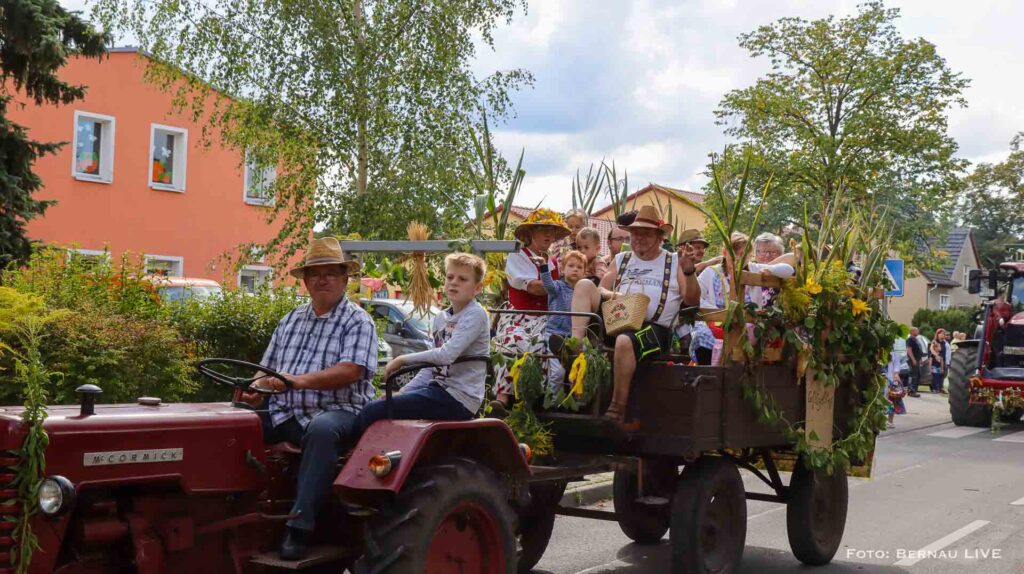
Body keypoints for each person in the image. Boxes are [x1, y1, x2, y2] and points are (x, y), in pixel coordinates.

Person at [245, 236, 377, 560]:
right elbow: (265, 369)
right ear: (305, 281)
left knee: (321, 430)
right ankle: (240, 515)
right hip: (285, 411)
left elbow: (350, 371)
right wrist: (253, 389)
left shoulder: (357, 320)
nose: (322, 279)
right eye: (315, 273)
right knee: (233, 423)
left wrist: (297, 382)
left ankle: (300, 528)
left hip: (340, 409)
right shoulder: (289, 321)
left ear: (345, 278)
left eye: (331, 272)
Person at [566, 204, 701, 424]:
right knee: (583, 285)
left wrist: (689, 271)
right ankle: (576, 346)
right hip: (618, 319)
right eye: (636, 233)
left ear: (659, 236)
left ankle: (618, 407)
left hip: (656, 331)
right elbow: (600, 289)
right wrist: (615, 295)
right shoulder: (622, 259)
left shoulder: (674, 260)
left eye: (646, 233)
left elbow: (692, 300)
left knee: (624, 342)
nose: (639, 238)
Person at [355, 253, 490, 434]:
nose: (454, 282)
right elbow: (430, 368)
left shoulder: (475, 314)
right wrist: (403, 392)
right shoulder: (441, 318)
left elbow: (446, 355)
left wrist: (401, 359)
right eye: (450, 277)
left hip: (459, 398)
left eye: (463, 279)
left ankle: (351, 454)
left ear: (478, 287)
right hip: (438, 392)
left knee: (372, 412)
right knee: (377, 406)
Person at [491, 209, 572, 413]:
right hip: (518, 316)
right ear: (531, 232)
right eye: (544, 229)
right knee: (513, 340)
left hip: (545, 318)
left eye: (552, 231)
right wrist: (564, 287)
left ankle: (534, 401)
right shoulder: (518, 256)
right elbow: (535, 288)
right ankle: (503, 398)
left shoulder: (552, 261)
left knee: (544, 346)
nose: (549, 235)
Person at [689, 232, 795, 365]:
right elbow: (695, 295)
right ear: (725, 252)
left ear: (750, 255)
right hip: (714, 323)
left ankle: (731, 368)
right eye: (735, 253)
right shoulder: (711, 272)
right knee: (701, 334)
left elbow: (788, 270)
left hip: (745, 325)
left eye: (744, 254)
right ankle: (708, 370)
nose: (739, 258)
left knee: (745, 334)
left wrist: (771, 271)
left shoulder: (754, 269)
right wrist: (716, 313)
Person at [539, 250, 586, 355]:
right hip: (554, 333)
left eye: (579, 267)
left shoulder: (583, 293)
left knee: (582, 359)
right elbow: (548, 285)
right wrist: (543, 266)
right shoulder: (558, 286)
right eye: (571, 266)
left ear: (584, 272)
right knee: (558, 370)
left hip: (573, 336)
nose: (575, 269)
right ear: (562, 269)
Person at [904, 327, 924, 397]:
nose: (918, 331)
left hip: (917, 359)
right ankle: (911, 391)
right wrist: (913, 359)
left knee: (917, 375)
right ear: (912, 331)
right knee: (913, 376)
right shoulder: (910, 339)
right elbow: (909, 350)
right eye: (917, 330)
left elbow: (918, 350)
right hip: (913, 360)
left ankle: (914, 390)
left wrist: (920, 359)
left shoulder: (915, 339)